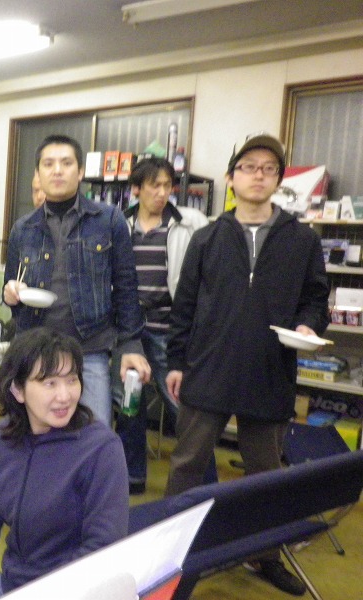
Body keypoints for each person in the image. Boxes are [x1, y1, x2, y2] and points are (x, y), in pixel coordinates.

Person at [164, 133, 329, 597]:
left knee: (266, 476)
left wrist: (309, 324)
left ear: (278, 179)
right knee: (187, 466)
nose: (258, 175)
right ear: (232, 177)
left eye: (268, 168)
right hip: (208, 368)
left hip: (270, 369)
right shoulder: (207, 238)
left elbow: (316, 298)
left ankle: (265, 556)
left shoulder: (302, 240)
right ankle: (167, 559)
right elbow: (185, 306)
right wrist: (176, 361)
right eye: (249, 167)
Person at [0, 327, 129, 600]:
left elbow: (102, 549)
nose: (65, 396)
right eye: (49, 383)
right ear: (18, 390)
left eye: (72, 380)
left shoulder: (101, 449)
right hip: (15, 584)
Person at [3, 134, 150, 427]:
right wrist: (10, 294)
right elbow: (12, 291)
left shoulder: (109, 220)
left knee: (94, 435)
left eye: (66, 163)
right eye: (48, 164)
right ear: (38, 174)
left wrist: (131, 344)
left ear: (80, 171)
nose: (57, 170)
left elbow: (126, 286)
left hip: (89, 350)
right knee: (33, 435)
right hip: (35, 352)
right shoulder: (23, 228)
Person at [109, 157, 215, 495]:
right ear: (136, 189)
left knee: (184, 409)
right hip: (130, 331)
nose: (162, 192)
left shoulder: (190, 223)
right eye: (154, 185)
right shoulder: (119, 224)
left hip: (170, 330)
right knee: (130, 405)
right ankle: (132, 478)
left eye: (167, 185)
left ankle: (205, 486)